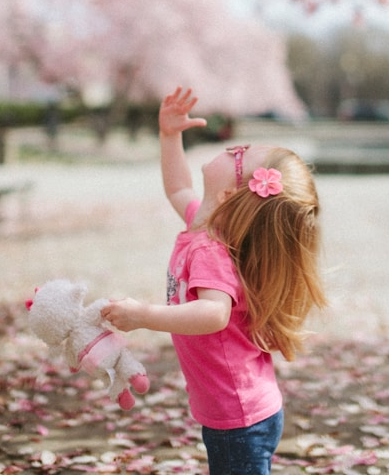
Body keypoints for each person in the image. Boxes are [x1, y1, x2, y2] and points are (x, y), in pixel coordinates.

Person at [101, 87, 327, 475]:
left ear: (226, 195)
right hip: (241, 409)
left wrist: (143, 315)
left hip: (238, 417)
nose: (233, 147)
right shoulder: (203, 223)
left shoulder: (211, 249)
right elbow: (176, 187)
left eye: (239, 156)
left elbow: (213, 313)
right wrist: (170, 136)